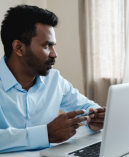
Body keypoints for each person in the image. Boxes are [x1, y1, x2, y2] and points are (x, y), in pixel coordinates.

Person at [0, 5, 105, 153]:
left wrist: (95, 120)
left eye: (53, 46)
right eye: (46, 46)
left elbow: (89, 107)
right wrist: (46, 134)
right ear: (19, 47)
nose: (54, 54)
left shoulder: (54, 80)